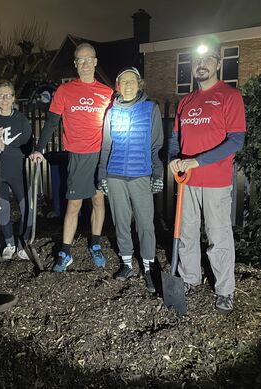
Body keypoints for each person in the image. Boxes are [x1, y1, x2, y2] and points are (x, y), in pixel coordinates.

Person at [168, 42, 246, 314]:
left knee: (218, 237)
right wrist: (173, 158)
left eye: (207, 60)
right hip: (187, 180)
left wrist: (198, 160)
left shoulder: (229, 95)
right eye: (196, 61)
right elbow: (175, 139)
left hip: (215, 181)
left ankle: (224, 289)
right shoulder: (186, 101)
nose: (201, 65)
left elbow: (236, 140)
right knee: (187, 233)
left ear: (217, 64)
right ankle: (189, 278)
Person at [29, 43, 113, 272]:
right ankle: (65, 252)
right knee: (74, 204)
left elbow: (115, 126)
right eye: (80, 60)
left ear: (95, 62)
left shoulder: (107, 93)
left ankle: (95, 245)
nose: (84, 64)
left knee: (98, 200)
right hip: (77, 154)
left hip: (100, 154)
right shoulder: (64, 91)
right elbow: (52, 122)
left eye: (88, 59)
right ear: (75, 64)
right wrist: (39, 148)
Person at [98, 67, 164, 293]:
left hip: (140, 174)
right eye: (123, 81)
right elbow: (106, 145)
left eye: (132, 81)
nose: (127, 85)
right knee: (121, 221)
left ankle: (148, 265)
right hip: (115, 174)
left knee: (146, 223)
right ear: (118, 86)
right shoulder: (111, 112)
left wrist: (157, 172)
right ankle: (127, 264)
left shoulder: (150, 108)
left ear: (139, 84)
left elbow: (156, 144)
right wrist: (102, 174)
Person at [0, 80, 33, 260]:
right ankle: (9, 243)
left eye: (8, 95)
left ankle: (23, 244)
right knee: (3, 210)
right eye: (1, 95)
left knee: (28, 209)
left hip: (17, 173)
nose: (5, 99)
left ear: (14, 98)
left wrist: (6, 148)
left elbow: (27, 150)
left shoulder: (21, 120)